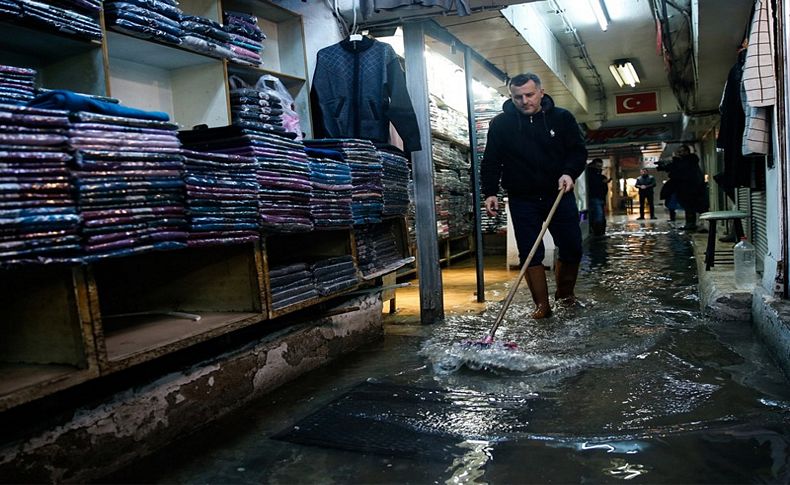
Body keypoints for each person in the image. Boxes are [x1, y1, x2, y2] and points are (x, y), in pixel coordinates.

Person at [481, 73, 587, 319]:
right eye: (518, 97)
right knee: (529, 251)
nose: (524, 101)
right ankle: (542, 305)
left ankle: (565, 294)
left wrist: (569, 173)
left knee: (572, 245)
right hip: (522, 197)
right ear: (511, 96)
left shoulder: (562, 118)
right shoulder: (500, 125)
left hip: (558, 193)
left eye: (529, 95)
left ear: (541, 92)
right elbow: (491, 161)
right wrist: (490, 192)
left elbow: (577, 152)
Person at [658, 144, 707, 230]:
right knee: (688, 206)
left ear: (687, 151)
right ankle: (690, 223)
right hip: (685, 187)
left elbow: (682, 170)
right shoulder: (687, 161)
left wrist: (674, 161)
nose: (681, 153)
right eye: (679, 152)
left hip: (690, 188)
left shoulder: (690, 160)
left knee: (690, 206)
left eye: (682, 151)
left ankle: (691, 224)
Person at [585, 158, 610, 236]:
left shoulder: (597, 175)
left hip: (598, 198)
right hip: (595, 198)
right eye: (598, 166)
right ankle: (598, 233)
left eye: (600, 166)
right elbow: (594, 185)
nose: (599, 168)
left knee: (599, 216)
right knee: (598, 217)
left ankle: (598, 233)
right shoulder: (592, 175)